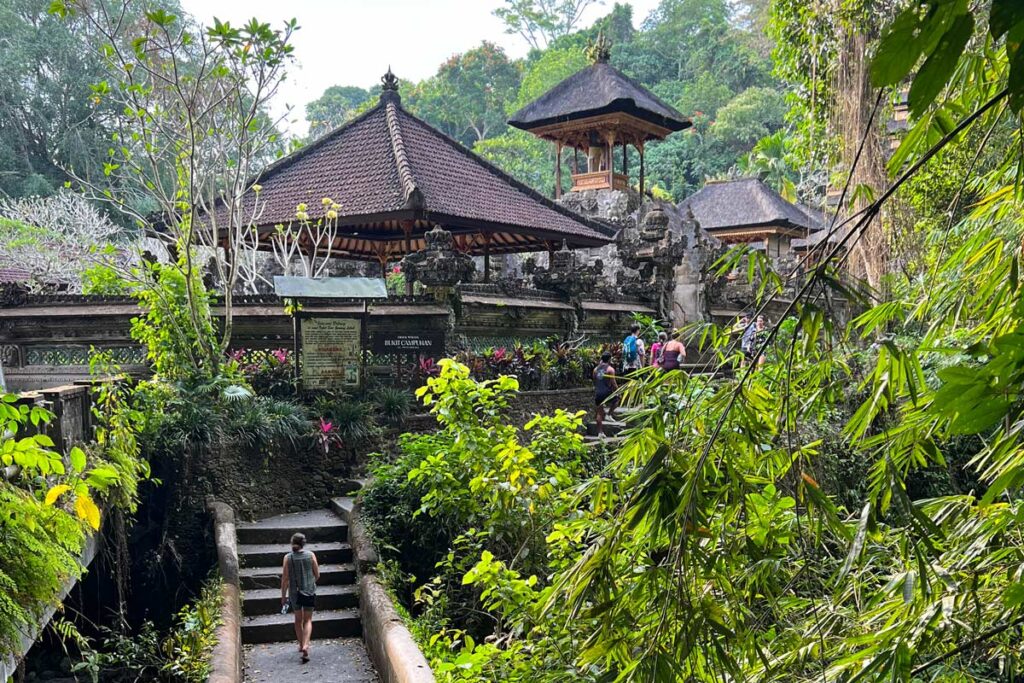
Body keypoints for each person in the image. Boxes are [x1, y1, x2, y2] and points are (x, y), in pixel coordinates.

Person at [281, 532, 320, 663]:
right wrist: (309, 581)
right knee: (308, 620)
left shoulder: (288, 558)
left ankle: (300, 644)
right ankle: (306, 645)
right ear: (304, 543)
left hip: (294, 592)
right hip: (309, 591)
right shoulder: (311, 555)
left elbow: (285, 579)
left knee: (298, 620)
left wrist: (283, 596)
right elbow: (317, 575)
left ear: (292, 543)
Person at [593, 352, 618, 437]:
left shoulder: (595, 369)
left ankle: (600, 432)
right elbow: (613, 383)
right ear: (609, 359)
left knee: (599, 413)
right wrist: (618, 392)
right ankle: (609, 414)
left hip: (598, 392)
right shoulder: (610, 369)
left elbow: (595, 380)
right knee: (617, 400)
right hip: (607, 391)